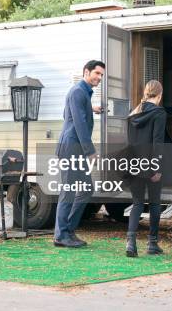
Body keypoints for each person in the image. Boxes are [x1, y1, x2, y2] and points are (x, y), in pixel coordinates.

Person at [53, 60, 104, 248]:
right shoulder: (78, 92)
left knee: (85, 189)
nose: (99, 78)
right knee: (68, 191)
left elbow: (67, 113)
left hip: (76, 148)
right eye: (97, 74)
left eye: (101, 75)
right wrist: (90, 151)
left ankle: (68, 230)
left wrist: (91, 109)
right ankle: (61, 235)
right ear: (86, 72)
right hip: (71, 148)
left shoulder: (82, 94)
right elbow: (80, 125)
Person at [125, 80, 167, 257]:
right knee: (155, 203)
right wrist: (157, 167)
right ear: (159, 95)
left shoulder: (133, 114)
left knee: (137, 203)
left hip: (133, 163)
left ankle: (131, 244)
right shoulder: (159, 113)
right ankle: (152, 244)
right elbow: (158, 142)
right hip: (150, 163)